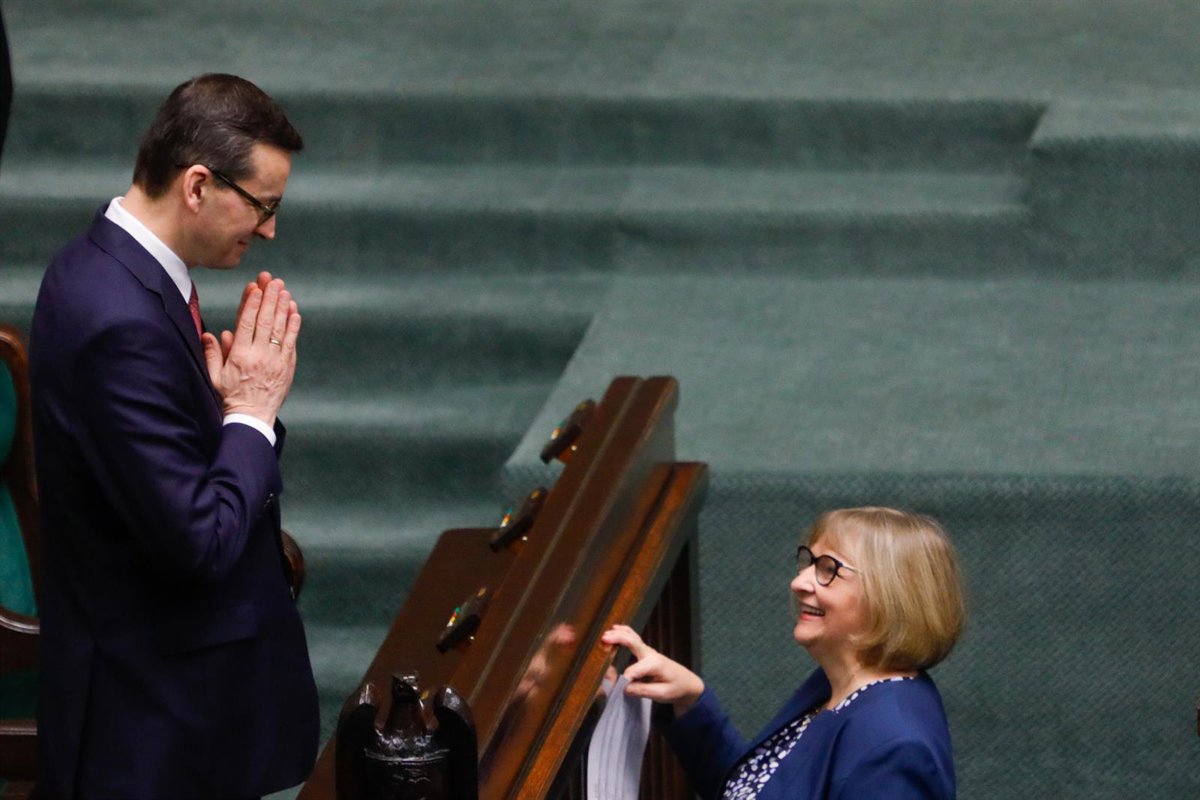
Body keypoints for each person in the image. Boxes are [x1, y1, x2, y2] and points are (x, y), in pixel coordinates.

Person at [29, 73, 318, 799]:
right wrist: (251, 413)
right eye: (263, 205)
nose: (269, 229)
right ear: (197, 186)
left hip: (162, 701)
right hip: (151, 729)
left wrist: (222, 415)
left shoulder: (108, 268)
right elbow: (198, 542)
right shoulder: (118, 320)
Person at [603, 506, 965, 799]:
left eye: (829, 570)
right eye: (809, 563)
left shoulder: (895, 745)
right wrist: (690, 702)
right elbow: (755, 790)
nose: (799, 582)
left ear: (890, 597)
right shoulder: (837, 687)